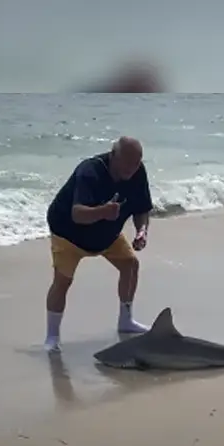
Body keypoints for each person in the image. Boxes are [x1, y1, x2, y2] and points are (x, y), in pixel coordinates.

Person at [43, 136, 153, 352]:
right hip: (69, 234)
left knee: (131, 265)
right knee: (63, 281)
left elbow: (142, 209)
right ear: (113, 156)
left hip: (106, 235)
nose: (132, 169)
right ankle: (52, 337)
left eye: (136, 163)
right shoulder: (90, 171)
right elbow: (77, 214)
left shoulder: (138, 172)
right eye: (127, 162)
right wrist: (103, 211)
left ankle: (126, 320)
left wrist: (142, 231)